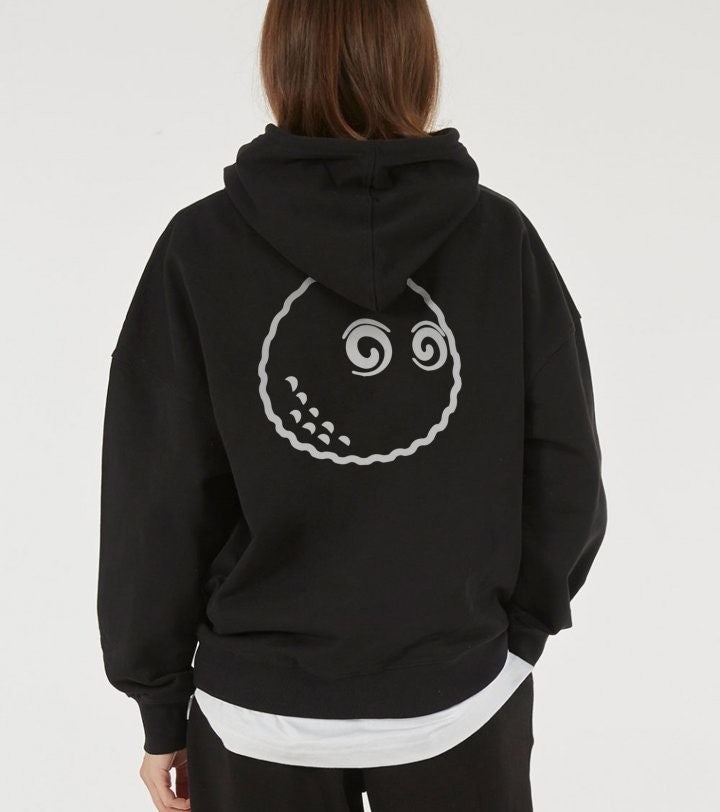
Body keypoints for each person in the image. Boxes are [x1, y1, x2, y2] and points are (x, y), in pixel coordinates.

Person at [96, 0, 608, 810]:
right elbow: (566, 465)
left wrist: (161, 707)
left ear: (282, 61)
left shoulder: (200, 247)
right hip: (461, 697)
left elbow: (154, 497)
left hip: (258, 711)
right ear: (417, 60)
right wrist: (517, 640)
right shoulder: (499, 239)